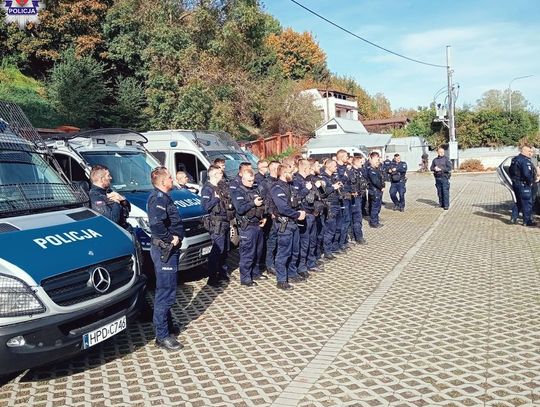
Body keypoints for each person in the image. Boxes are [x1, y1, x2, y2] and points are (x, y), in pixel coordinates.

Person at [147, 167, 184, 351]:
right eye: (170, 177)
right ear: (163, 182)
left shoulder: (165, 197)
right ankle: (161, 336)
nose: (172, 178)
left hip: (170, 252)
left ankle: (168, 326)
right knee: (165, 294)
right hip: (165, 252)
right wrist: (171, 238)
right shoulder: (158, 199)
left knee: (168, 290)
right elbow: (156, 224)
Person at [270, 164, 307, 290]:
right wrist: (297, 214)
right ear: (284, 173)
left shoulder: (290, 186)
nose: (293, 174)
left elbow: (297, 200)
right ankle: (281, 280)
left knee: (294, 251)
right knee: (283, 253)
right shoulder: (277, 188)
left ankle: (292, 273)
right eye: (291, 172)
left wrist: (300, 211)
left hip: (293, 223)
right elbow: (283, 208)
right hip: (284, 224)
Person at [231, 169, 267, 286]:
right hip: (247, 226)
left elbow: (262, 205)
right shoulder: (238, 192)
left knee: (258, 251)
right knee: (248, 253)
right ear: (243, 179)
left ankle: (255, 272)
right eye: (249, 180)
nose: (251, 182)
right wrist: (253, 203)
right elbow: (240, 209)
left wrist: (264, 217)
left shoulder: (255, 189)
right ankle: (246, 278)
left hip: (258, 225)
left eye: (252, 180)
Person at [201, 165, 233, 287]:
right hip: (216, 224)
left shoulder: (220, 187)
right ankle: (212, 277)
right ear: (214, 175)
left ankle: (222, 272)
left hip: (224, 222)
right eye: (220, 173)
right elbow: (205, 207)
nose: (222, 175)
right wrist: (215, 199)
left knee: (225, 250)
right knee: (217, 251)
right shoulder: (207, 189)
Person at [89, 165, 130, 229]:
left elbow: (128, 208)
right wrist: (116, 201)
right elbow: (112, 220)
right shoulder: (95, 197)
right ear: (102, 179)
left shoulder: (108, 191)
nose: (110, 178)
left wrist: (122, 200)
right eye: (108, 175)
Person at [319, 159, 343, 260]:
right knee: (330, 229)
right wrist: (333, 187)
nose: (336, 168)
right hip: (330, 205)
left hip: (337, 203)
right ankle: (327, 251)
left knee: (338, 227)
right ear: (328, 166)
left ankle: (334, 247)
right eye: (334, 166)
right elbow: (322, 193)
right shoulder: (323, 178)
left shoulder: (333, 176)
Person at [509, 144, 537, 226]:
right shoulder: (525, 161)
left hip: (516, 184)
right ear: (523, 151)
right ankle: (527, 221)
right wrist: (530, 182)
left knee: (519, 202)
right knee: (527, 202)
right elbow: (526, 174)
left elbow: (511, 171)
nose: (530, 153)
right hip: (523, 184)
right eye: (529, 151)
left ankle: (513, 219)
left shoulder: (515, 159)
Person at [350, 156, 367, 244]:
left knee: (356, 217)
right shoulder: (352, 172)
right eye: (360, 162)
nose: (362, 164)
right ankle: (358, 237)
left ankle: (355, 236)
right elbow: (352, 185)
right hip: (355, 198)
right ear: (355, 162)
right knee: (357, 218)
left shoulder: (359, 171)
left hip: (360, 197)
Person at [367, 152, 384, 228]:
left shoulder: (376, 169)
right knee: (375, 207)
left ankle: (376, 220)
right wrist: (381, 187)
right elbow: (375, 181)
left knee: (377, 207)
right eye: (377, 159)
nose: (378, 161)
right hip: (374, 190)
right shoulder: (371, 170)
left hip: (378, 191)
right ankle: (374, 222)